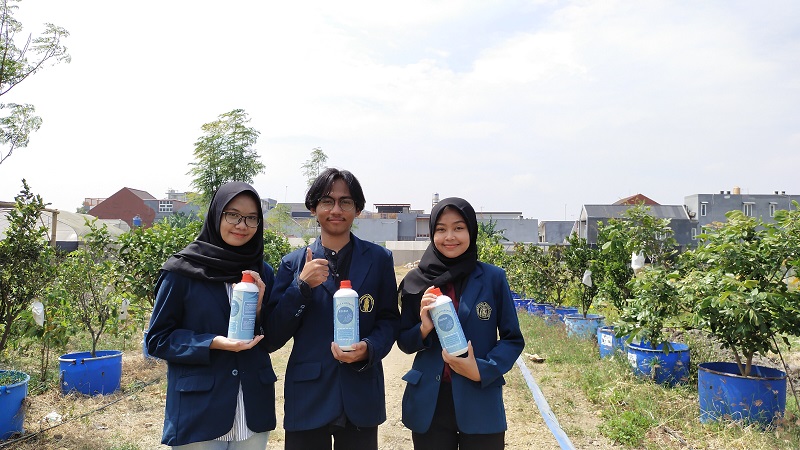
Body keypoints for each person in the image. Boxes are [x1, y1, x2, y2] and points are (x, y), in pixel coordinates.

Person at [264, 168, 400, 450]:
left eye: (345, 202)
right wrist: (301, 287)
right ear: (313, 208)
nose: (336, 209)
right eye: (327, 201)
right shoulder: (293, 264)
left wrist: (370, 348)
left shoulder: (379, 260)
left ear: (358, 209)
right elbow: (274, 336)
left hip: (361, 390)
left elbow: (388, 320)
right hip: (309, 394)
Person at [146, 181, 277, 449]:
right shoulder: (182, 271)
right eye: (233, 215)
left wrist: (261, 308)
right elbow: (158, 339)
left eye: (251, 218)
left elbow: (272, 338)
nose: (242, 225)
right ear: (216, 214)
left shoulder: (262, 272)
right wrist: (214, 342)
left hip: (252, 406)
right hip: (200, 410)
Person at [397, 197, 524, 450]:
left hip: (479, 397)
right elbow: (404, 342)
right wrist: (423, 328)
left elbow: (512, 339)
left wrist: (481, 369)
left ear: (471, 231)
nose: (450, 236)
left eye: (458, 228)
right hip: (430, 404)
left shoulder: (493, 278)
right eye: (441, 229)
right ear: (432, 233)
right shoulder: (416, 281)